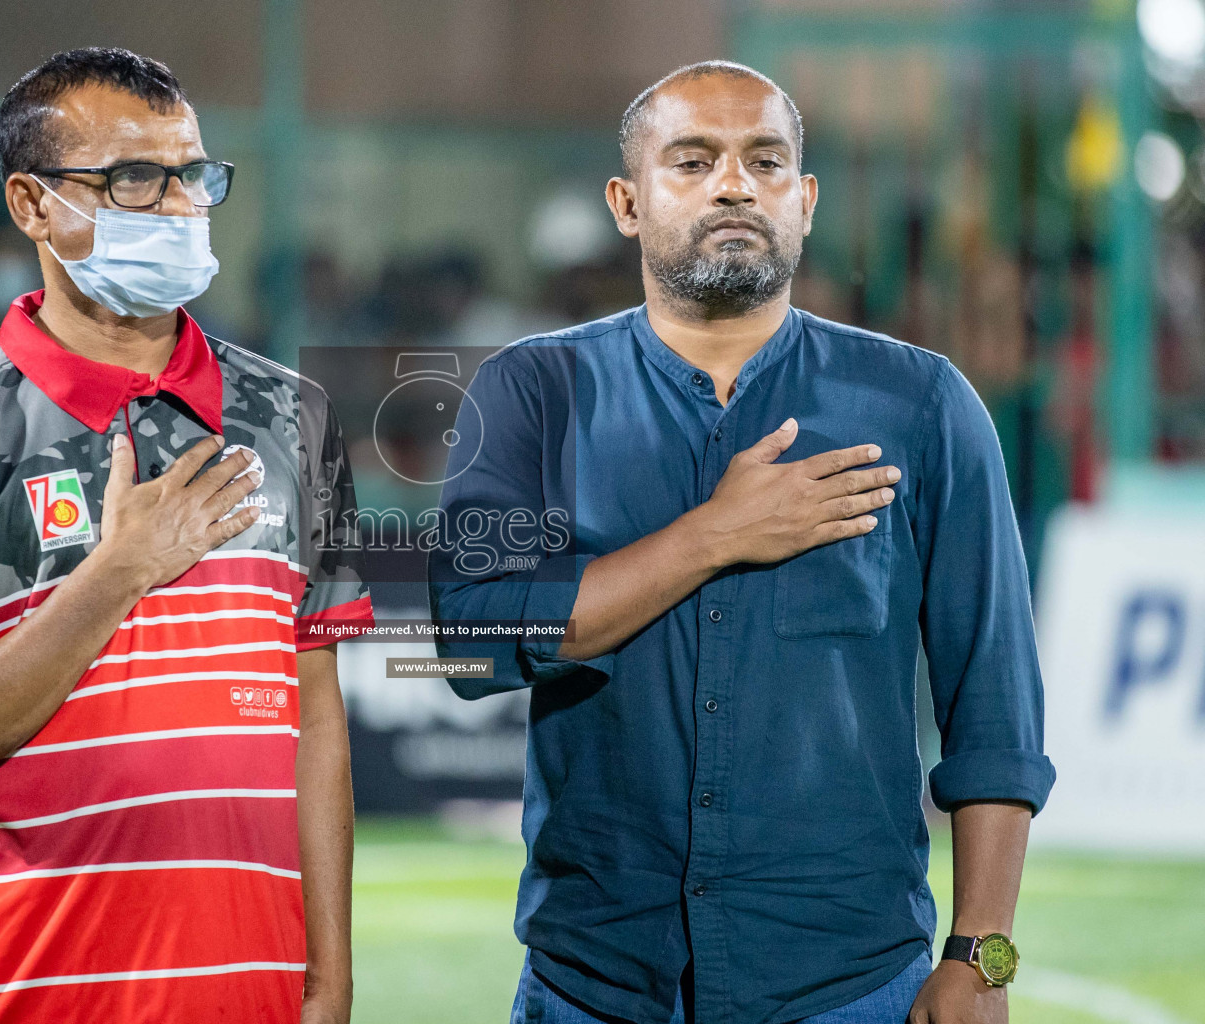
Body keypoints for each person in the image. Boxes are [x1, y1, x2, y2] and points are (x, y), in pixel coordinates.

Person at [428, 61, 1053, 1024]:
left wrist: (982, 959)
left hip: (848, 984)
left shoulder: (924, 406)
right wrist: (715, 535)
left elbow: (997, 710)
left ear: (802, 202)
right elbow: (466, 641)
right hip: (593, 983)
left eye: (765, 162)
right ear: (627, 203)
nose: (734, 183)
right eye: (693, 160)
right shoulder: (527, 394)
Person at [0, 47, 372, 1024]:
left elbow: (315, 716)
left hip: (252, 999)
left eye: (193, 175)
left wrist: (329, 983)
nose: (178, 205)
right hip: (26, 997)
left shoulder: (290, 415)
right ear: (32, 205)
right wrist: (118, 573)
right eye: (136, 179)